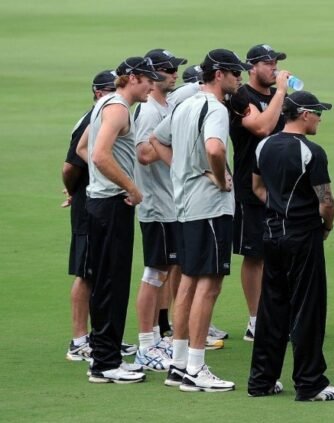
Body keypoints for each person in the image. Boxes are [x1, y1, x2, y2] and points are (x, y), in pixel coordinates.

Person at [151, 48, 250, 392]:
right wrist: (220, 177)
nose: (240, 78)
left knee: (189, 284)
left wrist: (183, 171)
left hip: (186, 206)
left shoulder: (184, 104)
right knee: (208, 286)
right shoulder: (215, 108)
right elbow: (215, 149)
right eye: (236, 73)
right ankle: (195, 365)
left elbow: (155, 141)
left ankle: (179, 364)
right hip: (209, 208)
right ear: (219, 74)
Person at [247, 91, 334, 401]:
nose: (320, 118)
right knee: (308, 308)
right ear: (304, 114)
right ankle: (310, 383)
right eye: (318, 112)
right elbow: (327, 202)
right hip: (303, 236)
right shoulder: (312, 152)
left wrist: (279, 209)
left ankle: (261, 381)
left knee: (271, 308)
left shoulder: (264, 145)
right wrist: (326, 226)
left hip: (271, 234)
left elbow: (257, 187)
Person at [83, 56, 164, 384]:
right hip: (110, 205)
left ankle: (106, 356)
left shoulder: (108, 105)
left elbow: (86, 148)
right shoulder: (117, 108)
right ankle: (105, 363)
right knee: (111, 284)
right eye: (147, 80)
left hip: (102, 203)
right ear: (131, 78)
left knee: (108, 282)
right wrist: (131, 186)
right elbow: (100, 155)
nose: (151, 86)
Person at [227, 44, 292, 342]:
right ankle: (255, 320)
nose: (274, 68)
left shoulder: (278, 98)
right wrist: (281, 93)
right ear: (251, 67)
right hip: (249, 186)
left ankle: (275, 312)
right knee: (255, 255)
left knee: (279, 251)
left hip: (281, 186)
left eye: (275, 63)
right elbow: (263, 129)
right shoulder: (243, 98)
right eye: (268, 64)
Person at [132, 49, 188, 371]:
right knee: (154, 274)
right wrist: (173, 144)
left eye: (175, 68)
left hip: (169, 205)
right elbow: (142, 153)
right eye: (168, 70)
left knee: (164, 272)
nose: (174, 74)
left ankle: (156, 336)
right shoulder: (149, 112)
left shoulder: (164, 107)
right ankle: (145, 345)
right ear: (153, 76)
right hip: (156, 205)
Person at [63, 69, 116, 363]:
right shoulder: (92, 118)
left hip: (96, 201)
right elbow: (69, 166)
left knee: (97, 270)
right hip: (87, 205)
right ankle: (79, 341)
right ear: (98, 93)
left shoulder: (103, 116)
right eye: (110, 90)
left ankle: (97, 338)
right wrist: (72, 191)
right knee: (86, 273)